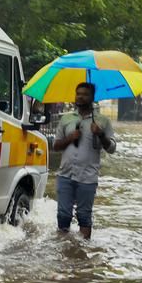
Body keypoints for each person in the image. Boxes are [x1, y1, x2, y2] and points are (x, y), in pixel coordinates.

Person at [53, 81, 116, 239]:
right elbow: (56, 146)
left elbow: (112, 148)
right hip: (65, 175)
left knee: (84, 216)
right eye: (78, 93)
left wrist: (100, 134)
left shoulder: (102, 121)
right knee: (63, 215)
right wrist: (70, 138)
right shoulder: (66, 119)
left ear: (92, 97)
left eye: (85, 94)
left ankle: (83, 254)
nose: (80, 97)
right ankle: (64, 251)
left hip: (87, 177)